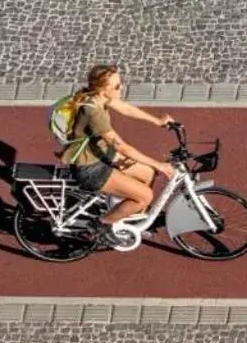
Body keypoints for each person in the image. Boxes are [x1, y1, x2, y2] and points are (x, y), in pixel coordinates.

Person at [62, 65, 177, 231]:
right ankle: (102, 224)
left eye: (120, 83)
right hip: (91, 168)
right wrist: (158, 164)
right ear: (103, 90)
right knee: (145, 196)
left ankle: (131, 220)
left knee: (147, 173)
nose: (121, 87)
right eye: (116, 86)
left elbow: (126, 108)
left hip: (102, 154)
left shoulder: (97, 96)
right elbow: (122, 148)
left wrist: (157, 121)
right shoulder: (94, 112)